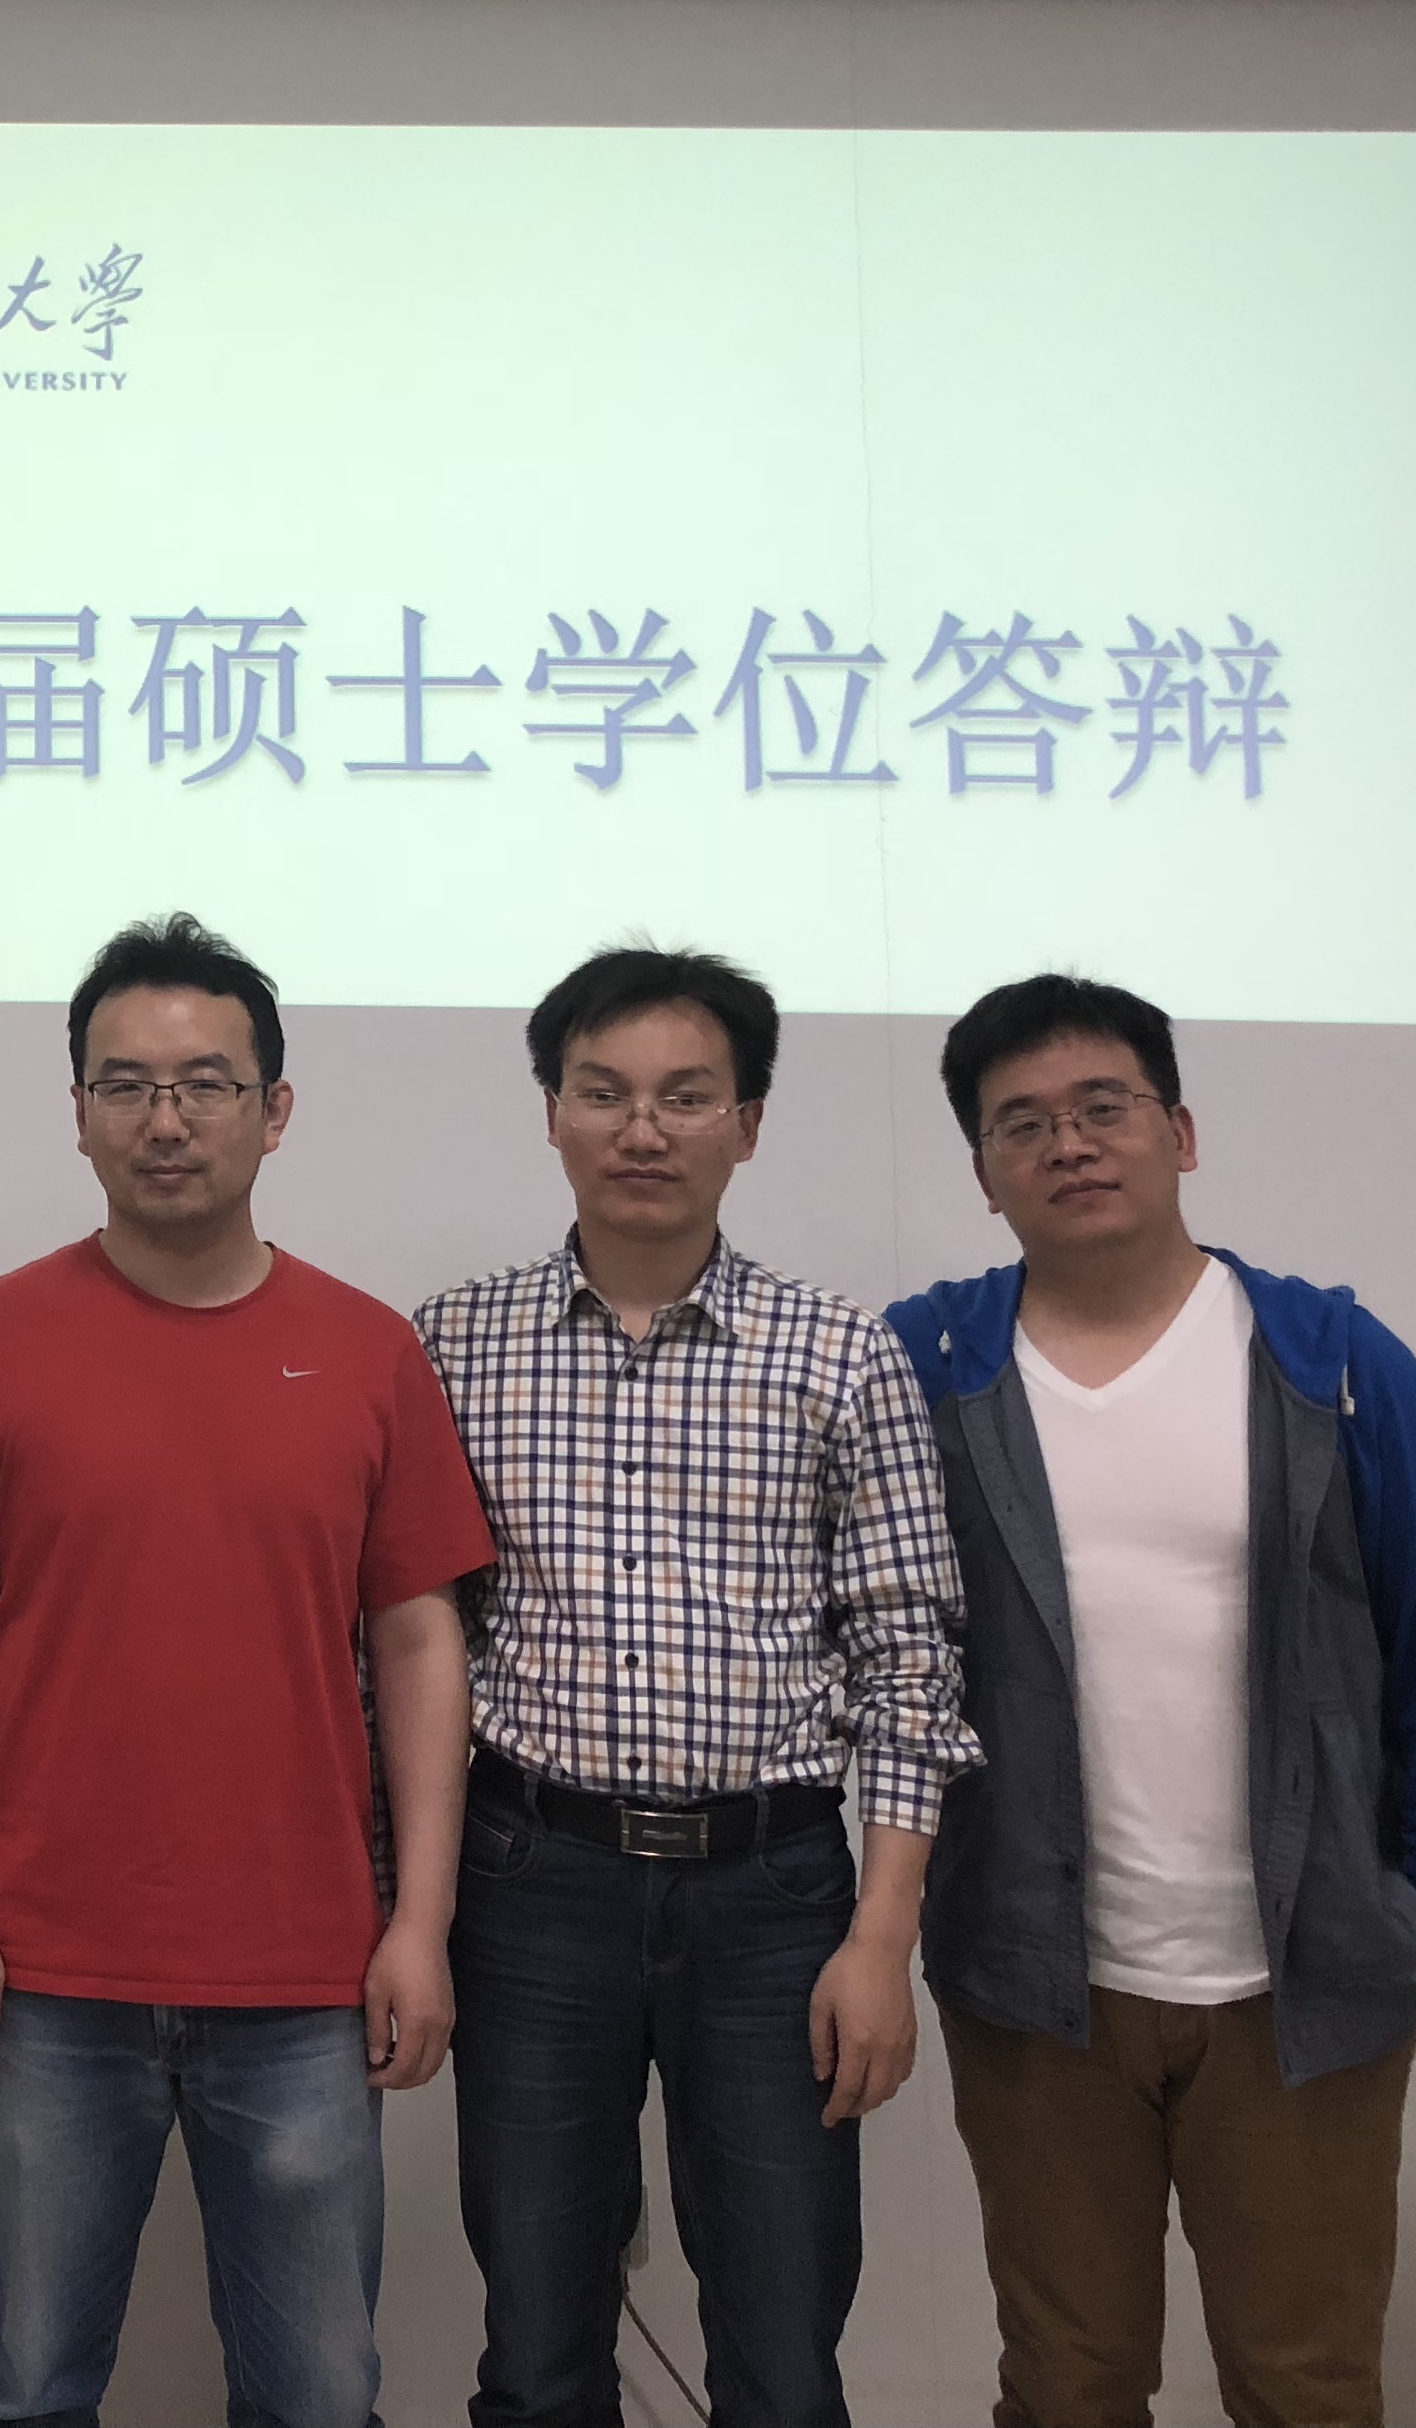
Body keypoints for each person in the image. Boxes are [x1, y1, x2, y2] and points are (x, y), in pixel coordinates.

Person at [886, 973, 1416, 2428]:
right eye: (1021, 1124)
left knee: (1306, 2386)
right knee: (1068, 2384)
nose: (1068, 1144)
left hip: (1303, 1985)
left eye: (1102, 1107)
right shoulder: (927, 1370)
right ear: (984, 1175)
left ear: (1180, 1132)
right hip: (1039, 1988)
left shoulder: (1331, 1364)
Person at [0, 912, 493, 2428]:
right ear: (79, 1110)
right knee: (21, 2389)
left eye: (207, 1083)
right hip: (44, 1968)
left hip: (304, 1973)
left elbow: (422, 1643)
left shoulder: (369, 1353)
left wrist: (421, 1924)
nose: (167, 1120)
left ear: (273, 1110)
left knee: (317, 2399)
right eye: (128, 1085)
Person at [414, 945, 977, 2428]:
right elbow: (408, 1649)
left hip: (773, 1898)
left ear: (749, 1122)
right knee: (538, 2348)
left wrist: (882, 1936)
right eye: (604, 1093)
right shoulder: (451, 1346)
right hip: (531, 1883)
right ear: (553, 1114)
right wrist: (403, 1903)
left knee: (783, 2355)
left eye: (685, 1096)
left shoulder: (840, 1356)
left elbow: (909, 1657)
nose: (643, 1130)